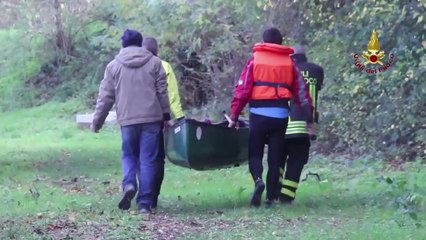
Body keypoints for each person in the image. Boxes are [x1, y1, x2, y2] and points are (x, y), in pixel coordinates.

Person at [228, 27, 312, 208]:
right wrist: (308, 118)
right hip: (280, 116)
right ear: (281, 42)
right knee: (275, 158)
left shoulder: (254, 60)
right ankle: (270, 198)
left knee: (255, 153)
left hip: (258, 115)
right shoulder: (290, 64)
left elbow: (243, 91)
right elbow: (302, 94)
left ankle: (258, 180)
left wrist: (234, 115)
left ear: (264, 42)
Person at [91, 29, 171, 214]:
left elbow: (106, 97)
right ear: (140, 42)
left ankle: (128, 184)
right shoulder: (154, 62)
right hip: (152, 119)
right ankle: (144, 204)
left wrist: (97, 122)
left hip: (127, 119)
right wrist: (166, 116)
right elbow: (162, 91)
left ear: (123, 44)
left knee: (129, 155)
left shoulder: (113, 66)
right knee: (148, 160)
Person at [277, 45, 324, 203]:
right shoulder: (316, 70)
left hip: (282, 124)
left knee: (278, 159)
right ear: (305, 56)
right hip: (304, 125)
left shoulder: (283, 70)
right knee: (297, 161)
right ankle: (287, 197)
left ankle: (274, 193)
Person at [142, 37, 185, 209]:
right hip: (157, 119)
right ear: (157, 50)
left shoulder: (135, 66)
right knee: (157, 159)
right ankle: (153, 198)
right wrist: (179, 117)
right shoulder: (164, 66)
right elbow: (171, 94)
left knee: (140, 158)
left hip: (135, 118)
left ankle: (142, 195)